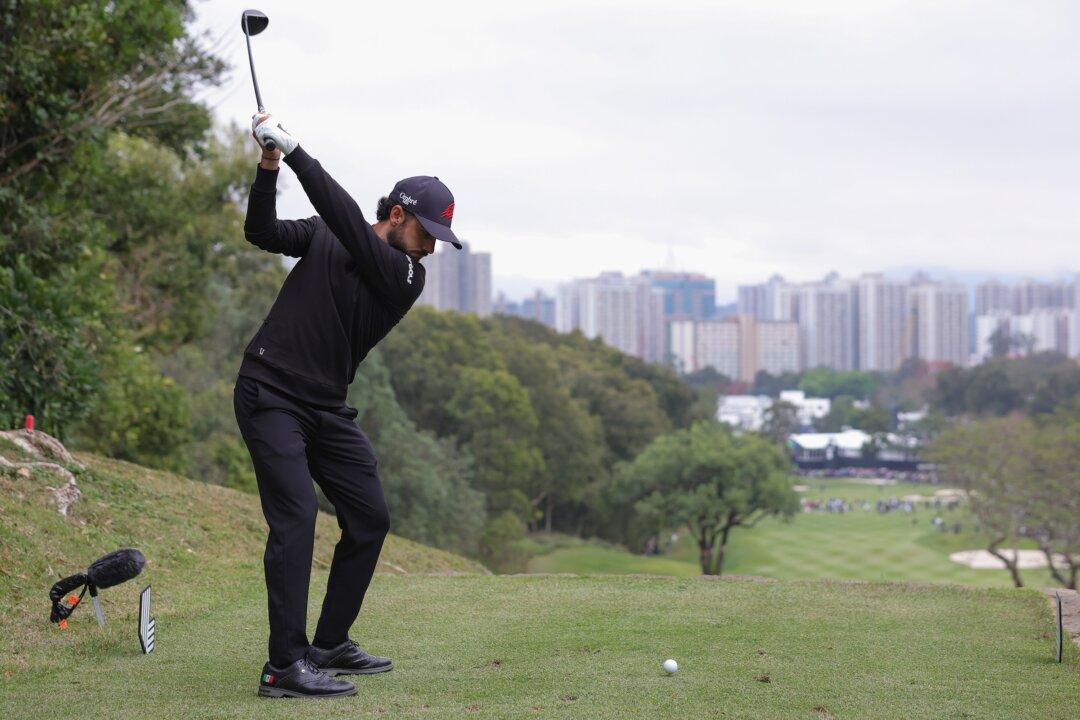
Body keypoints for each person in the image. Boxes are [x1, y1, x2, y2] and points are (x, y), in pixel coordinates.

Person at [234, 113, 461, 699]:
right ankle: (283, 666)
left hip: (326, 408)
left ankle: (329, 642)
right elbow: (260, 232)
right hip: (271, 394)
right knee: (297, 516)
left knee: (370, 517)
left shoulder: (406, 275)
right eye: (428, 231)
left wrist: (300, 152)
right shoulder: (327, 233)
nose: (433, 245)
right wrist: (269, 166)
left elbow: (346, 225)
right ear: (397, 215)